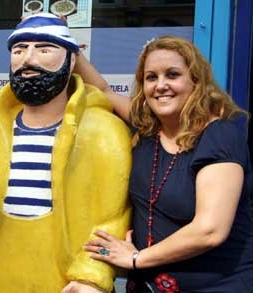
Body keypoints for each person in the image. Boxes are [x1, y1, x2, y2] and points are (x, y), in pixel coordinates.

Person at [0, 13, 132, 293]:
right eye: (19, 50)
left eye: (44, 49)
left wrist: (92, 276)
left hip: (65, 283)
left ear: (71, 62)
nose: (28, 59)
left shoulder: (103, 132)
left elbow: (114, 219)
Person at [76, 36, 253, 292]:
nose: (160, 85)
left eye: (172, 75)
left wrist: (136, 259)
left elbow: (210, 229)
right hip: (148, 285)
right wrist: (66, 44)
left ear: (196, 81)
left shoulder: (219, 136)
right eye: (151, 77)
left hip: (218, 285)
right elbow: (104, 91)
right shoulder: (148, 130)